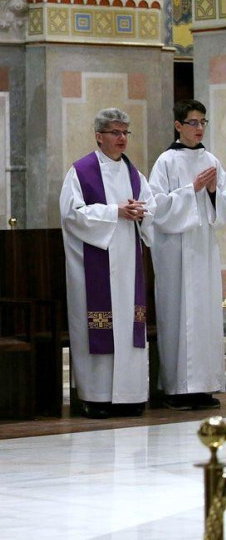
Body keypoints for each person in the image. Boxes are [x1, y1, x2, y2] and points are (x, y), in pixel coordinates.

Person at [60, 108, 156, 419]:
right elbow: (71, 214)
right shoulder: (80, 172)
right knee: (98, 327)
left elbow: (152, 208)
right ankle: (96, 397)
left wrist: (141, 212)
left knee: (128, 327)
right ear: (99, 136)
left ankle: (130, 395)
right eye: (115, 132)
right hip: (94, 265)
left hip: (128, 264)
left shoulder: (134, 174)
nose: (122, 138)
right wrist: (114, 211)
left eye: (125, 132)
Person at [149, 99, 225, 410]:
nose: (199, 128)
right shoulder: (166, 161)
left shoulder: (212, 160)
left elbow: (222, 206)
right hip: (175, 252)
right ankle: (176, 389)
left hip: (203, 249)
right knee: (177, 316)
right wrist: (191, 189)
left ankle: (204, 386)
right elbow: (156, 207)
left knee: (206, 316)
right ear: (178, 125)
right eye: (193, 122)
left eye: (203, 122)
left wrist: (212, 192)